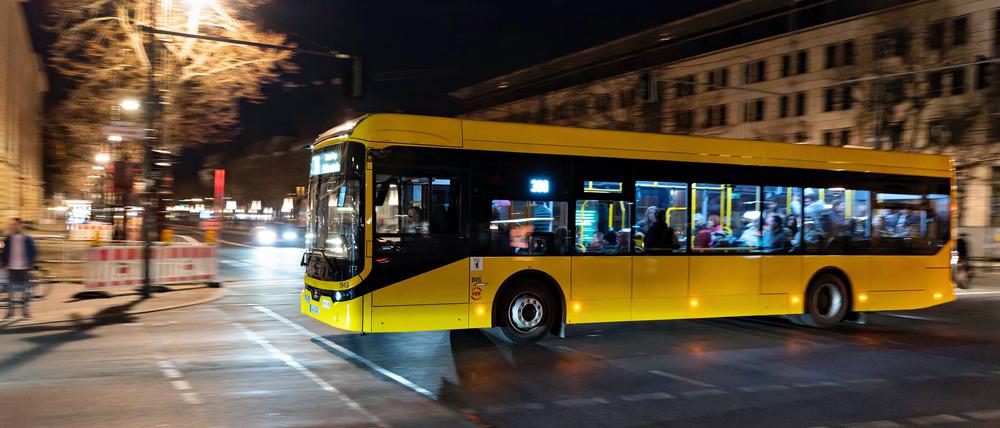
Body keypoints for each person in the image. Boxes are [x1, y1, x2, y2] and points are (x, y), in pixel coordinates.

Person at [2, 219, 37, 319]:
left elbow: (34, 252)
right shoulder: (7, 239)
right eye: (12, 225)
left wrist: (31, 264)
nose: (14, 226)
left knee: (25, 291)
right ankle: (10, 312)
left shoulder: (27, 239)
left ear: (21, 226)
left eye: (16, 225)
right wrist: (3, 263)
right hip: (11, 268)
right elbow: (3, 250)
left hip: (24, 268)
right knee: (10, 291)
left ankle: (25, 312)